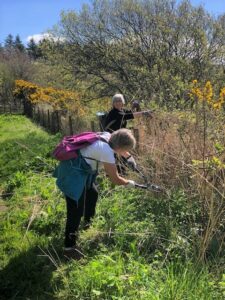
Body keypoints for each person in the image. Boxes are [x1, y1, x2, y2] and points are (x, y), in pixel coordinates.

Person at [53, 128, 137, 260]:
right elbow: (115, 179)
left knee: (93, 194)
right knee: (75, 209)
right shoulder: (106, 151)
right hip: (72, 172)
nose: (125, 153)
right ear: (119, 147)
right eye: (125, 150)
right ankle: (69, 247)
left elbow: (121, 150)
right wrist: (129, 183)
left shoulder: (108, 136)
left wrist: (129, 157)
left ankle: (87, 223)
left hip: (82, 170)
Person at [103, 94, 152, 174]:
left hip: (118, 137)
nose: (118, 103)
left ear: (123, 102)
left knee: (121, 154)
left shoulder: (122, 110)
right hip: (111, 138)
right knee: (117, 155)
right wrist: (144, 113)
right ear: (113, 103)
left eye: (119, 101)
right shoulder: (114, 113)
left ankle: (122, 173)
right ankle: (116, 175)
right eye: (115, 101)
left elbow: (131, 112)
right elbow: (129, 116)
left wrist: (135, 105)